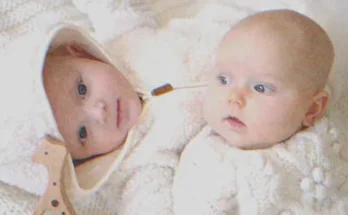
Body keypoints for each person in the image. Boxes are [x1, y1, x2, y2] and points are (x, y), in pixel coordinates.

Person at [0, 0, 210, 214]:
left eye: (82, 89)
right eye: (83, 133)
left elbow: (110, 5)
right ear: (84, 161)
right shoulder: (136, 165)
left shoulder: (123, 37)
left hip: (228, 30)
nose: (99, 112)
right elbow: (148, 204)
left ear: (79, 52)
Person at [173, 9, 348, 214]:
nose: (234, 98)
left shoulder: (329, 139)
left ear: (312, 109)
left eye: (260, 88)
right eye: (223, 80)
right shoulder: (205, 159)